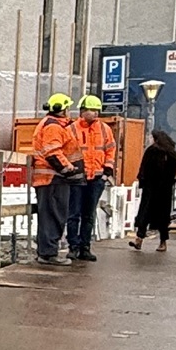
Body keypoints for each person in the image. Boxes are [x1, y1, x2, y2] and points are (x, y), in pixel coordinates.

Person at [30, 93, 82, 264]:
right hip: (53, 179)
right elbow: (52, 152)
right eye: (67, 107)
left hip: (52, 179)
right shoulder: (54, 127)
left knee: (51, 214)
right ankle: (48, 253)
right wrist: (68, 168)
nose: (69, 111)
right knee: (53, 215)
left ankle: (47, 251)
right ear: (62, 109)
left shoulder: (54, 125)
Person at [67, 95, 116, 262]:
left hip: (96, 178)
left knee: (88, 215)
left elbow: (110, 151)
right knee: (74, 214)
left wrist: (106, 172)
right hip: (77, 178)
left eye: (96, 110)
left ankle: (85, 247)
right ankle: (73, 247)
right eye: (91, 110)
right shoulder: (72, 129)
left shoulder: (105, 129)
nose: (94, 113)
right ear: (82, 111)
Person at [129, 129, 176, 251]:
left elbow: (144, 168)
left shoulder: (151, 151)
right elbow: (174, 173)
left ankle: (139, 240)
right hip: (165, 190)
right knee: (163, 216)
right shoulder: (172, 153)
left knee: (144, 214)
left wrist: (142, 182)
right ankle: (162, 242)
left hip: (150, 189)